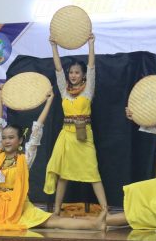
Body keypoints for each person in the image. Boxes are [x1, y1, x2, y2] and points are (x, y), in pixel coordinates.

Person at [0, 85, 106, 230]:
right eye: (4, 138)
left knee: (53, 222)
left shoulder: (25, 157)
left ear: (20, 141)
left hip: (18, 207)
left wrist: (49, 102)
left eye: (11, 138)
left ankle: (95, 225)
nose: (6, 141)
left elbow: (38, 126)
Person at [43, 34, 108, 215]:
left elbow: (92, 66)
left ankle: (105, 210)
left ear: (83, 75)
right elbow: (57, 69)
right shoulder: (65, 91)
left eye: (77, 72)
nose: (73, 75)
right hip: (66, 137)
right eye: (71, 72)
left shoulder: (88, 91)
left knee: (93, 173)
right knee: (63, 174)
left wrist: (91, 44)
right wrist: (54, 47)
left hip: (84, 137)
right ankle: (56, 210)